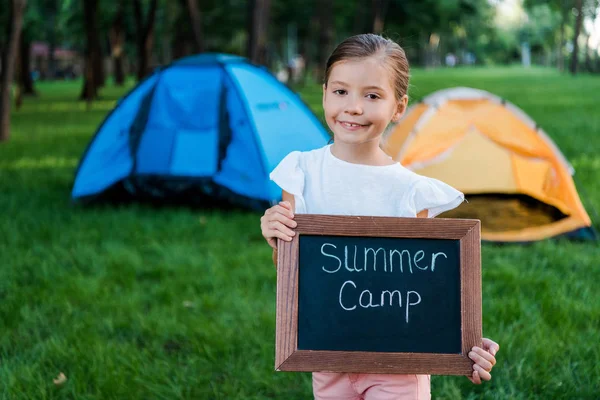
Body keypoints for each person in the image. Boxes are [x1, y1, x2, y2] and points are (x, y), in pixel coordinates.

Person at [260, 33, 499, 400]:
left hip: (399, 364)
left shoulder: (410, 191)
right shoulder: (301, 173)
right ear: (324, 93)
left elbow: (428, 285)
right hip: (329, 351)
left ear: (398, 107)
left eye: (372, 95)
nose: (353, 107)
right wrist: (275, 238)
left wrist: (462, 339)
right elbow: (292, 271)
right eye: (341, 92)